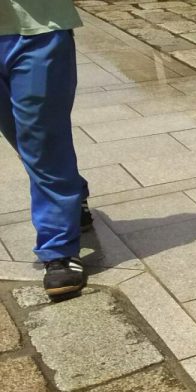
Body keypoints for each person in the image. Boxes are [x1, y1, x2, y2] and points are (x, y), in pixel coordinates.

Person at [1, 0, 92, 296]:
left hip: (36, 27)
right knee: (21, 137)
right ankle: (72, 194)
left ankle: (58, 249)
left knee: (43, 141)